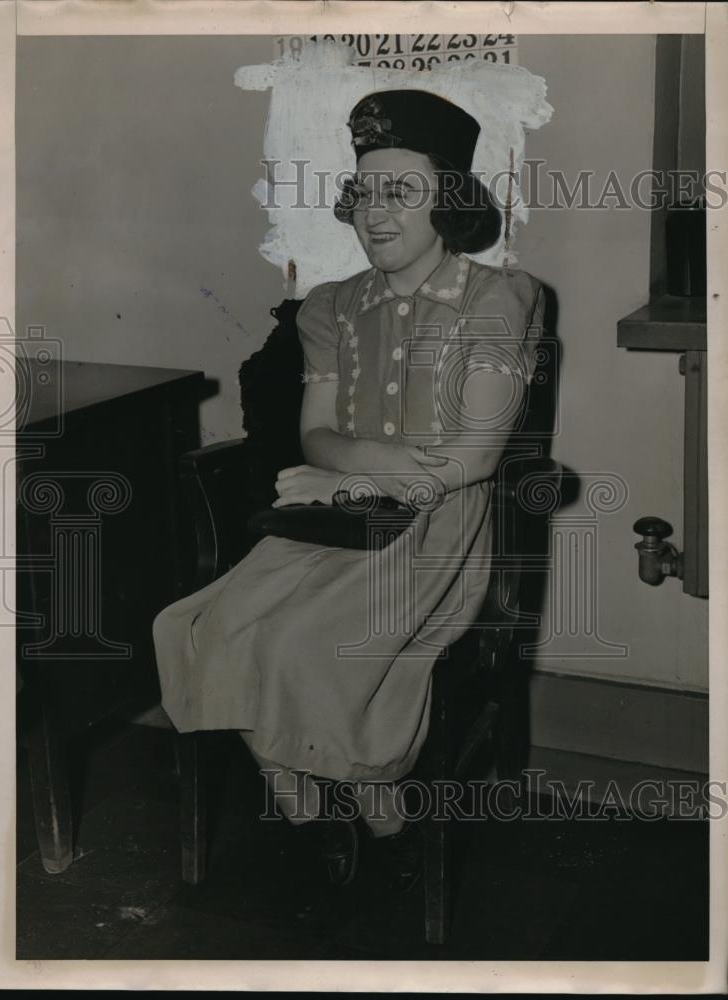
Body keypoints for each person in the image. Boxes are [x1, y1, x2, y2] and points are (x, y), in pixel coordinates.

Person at [153, 89, 545, 889]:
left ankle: (369, 792)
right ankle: (302, 799)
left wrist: (354, 471)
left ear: (451, 201)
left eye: (402, 190)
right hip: (338, 521)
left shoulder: (501, 299)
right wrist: (358, 470)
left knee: (301, 647)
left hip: (437, 529)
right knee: (202, 626)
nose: (375, 211)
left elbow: (468, 461)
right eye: (364, 190)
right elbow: (314, 435)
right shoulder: (332, 306)